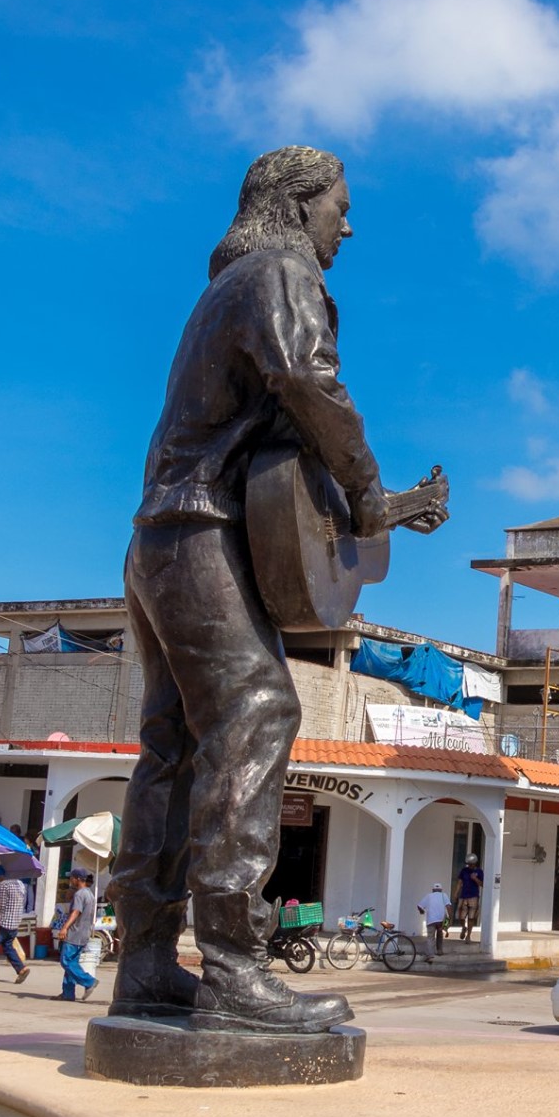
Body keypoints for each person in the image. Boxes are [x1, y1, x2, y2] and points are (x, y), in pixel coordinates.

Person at [108, 147, 442, 1033]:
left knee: (173, 746)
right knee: (259, 711)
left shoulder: (220, 294)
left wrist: (379, 508)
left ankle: (144, 963)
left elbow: (282, 445)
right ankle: (232, 964)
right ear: (298, 205)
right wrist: (371, 492)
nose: (350, 224)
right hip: (202, 530)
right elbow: (309, 381)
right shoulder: (283, 274)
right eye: (340, 206)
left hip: (159, 536)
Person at [56, 869, 99, 1003]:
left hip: (75, 933)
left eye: (72, 878)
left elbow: (75, 912)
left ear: (77, 879)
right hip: (84, 933)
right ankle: (68, 993)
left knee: (66, 961)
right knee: (72, 962)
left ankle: (89, 981)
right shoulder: (90, 894)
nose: (70, 881)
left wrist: (64, 928)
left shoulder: (79, 894)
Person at [0, 873, 32, 982]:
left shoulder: (3, 885)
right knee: (8, 947)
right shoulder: (20, 884)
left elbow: (0, 905)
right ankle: (21, 968)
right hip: (15, 922)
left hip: (4, 922)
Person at [456, 853, 484, 943]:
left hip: (473, 896)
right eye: (468, 864)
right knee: (461, 916)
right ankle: (464, 928)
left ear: (475, 863)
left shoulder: (479, 871)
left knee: (471, 917)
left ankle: (468, 936)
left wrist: (475, 879)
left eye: (471, 864)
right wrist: (456, 893)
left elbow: (482, 884)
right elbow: (460, 882)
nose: (469, 865)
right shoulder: (464, 870)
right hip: (463, 896)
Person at [417, 882, 451, 957]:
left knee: (430, 937)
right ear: (441, 890)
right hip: (440, 920)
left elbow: (419, 906)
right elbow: (448, 907)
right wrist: (450, 918)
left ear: (433, 890)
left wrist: (422, 911)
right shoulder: (443, 895)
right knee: (440, 934)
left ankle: (430, 955)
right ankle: (439, 951)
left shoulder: (428, 896)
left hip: (431, 920)